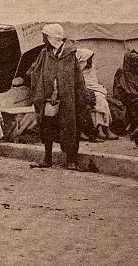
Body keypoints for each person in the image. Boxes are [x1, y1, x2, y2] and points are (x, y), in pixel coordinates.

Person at [27, 24, 94, 172]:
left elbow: (78, 79)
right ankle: (47, 159)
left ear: (52, 38)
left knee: (69, 127)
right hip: (48, 99)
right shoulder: (45, 53)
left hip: (67, 99)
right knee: (47, 127)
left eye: (45, 37)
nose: (43, 40)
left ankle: (71, 160)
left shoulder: (70, 55)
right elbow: (36, 71)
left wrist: (80, 98)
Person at [76, 48, 118, 141]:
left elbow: (93, 82)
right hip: (85, 91)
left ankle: (106, 128)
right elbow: (82, 84)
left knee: (101, 99)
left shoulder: (92, 69)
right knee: (98, 99)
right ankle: (100, 129)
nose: (91, 61)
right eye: (89, 59)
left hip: (94, 90)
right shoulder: (79, 70)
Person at [113, 49, 138, 139]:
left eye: (137, 61)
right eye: (133, 61)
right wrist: (137, 94)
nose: (136, 63)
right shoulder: (122, 71)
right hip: (125, 96)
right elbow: (123, 88)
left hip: (135, 94)